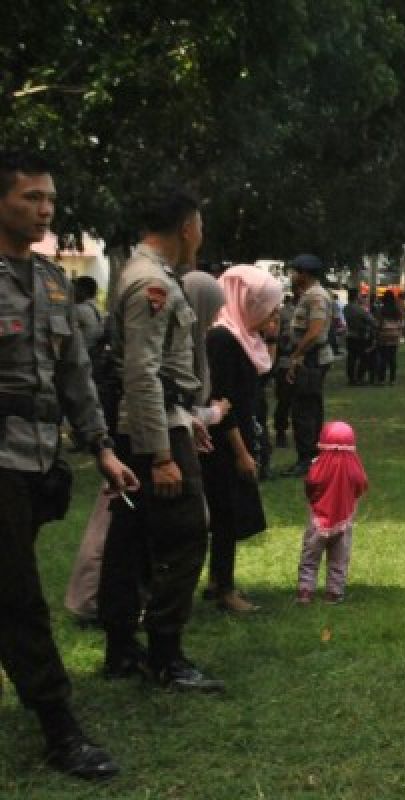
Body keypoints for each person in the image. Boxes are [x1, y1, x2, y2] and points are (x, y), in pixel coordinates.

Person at [0, 150, 139, 780]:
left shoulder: (54, 282)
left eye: (49, 198)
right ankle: (60, 728)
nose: (45, 209)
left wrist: (102, 448)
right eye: (32, 196)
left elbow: (75, 376)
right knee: (21, 598)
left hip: (37, 459)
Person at [98, 184, 225, 696]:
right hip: (150, 433)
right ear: (187, 227)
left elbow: (157, 376)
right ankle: (166, 654)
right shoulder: (152, 282)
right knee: (186, 532)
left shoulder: (143, 273)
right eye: (200, 226)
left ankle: (122, 648)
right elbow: (143, 374)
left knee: (128, 540)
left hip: (154, 422)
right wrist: (161, 454)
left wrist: (185, 418)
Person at [202, 265, 282, 612]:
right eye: (267, 305)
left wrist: (272, 336)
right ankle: (224, 588)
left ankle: (219, 581)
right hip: (223, 442)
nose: (273, 313)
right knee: (225, 514)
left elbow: (260, 379)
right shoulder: (222, 338)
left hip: (241, 435)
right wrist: (241, 452)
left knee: (231, 514)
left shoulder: (246, 338)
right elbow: (222, 400)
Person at [297, 421, 368, 604]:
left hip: (318, 521)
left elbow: (311, 483)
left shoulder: (318, 465)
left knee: (310, 557)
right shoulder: (354, 467)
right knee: (339, 559)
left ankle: (306, 591)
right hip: (344, 521)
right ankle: (334, 592)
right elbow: (361, 485)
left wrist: (313, 499)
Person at [283, 254, 333, 477]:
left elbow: (314, 332)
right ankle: (312, 455)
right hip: (309, 357)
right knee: (309, 407)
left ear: (304, 274)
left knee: (304, 410)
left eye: (295, 271)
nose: (292, 276)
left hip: (311, 359)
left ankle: (308, 458)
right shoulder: (309, 295)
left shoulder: (316, 296)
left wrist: (297, 354)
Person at [342, 286, 378, 386]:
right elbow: (372, 321)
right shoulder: (360, 310)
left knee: (351, 358)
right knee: (363, 357)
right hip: (360, 336)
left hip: (350, 335)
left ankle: (351, 378)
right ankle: (359, 377)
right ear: (356, 296)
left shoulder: (346, 308)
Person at [272, 293, 295, 447]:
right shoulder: (282, 313)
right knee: (284, 400)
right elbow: (276, 338)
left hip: (298, 360)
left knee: (292, 400)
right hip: (285, 360)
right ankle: (280, 431)